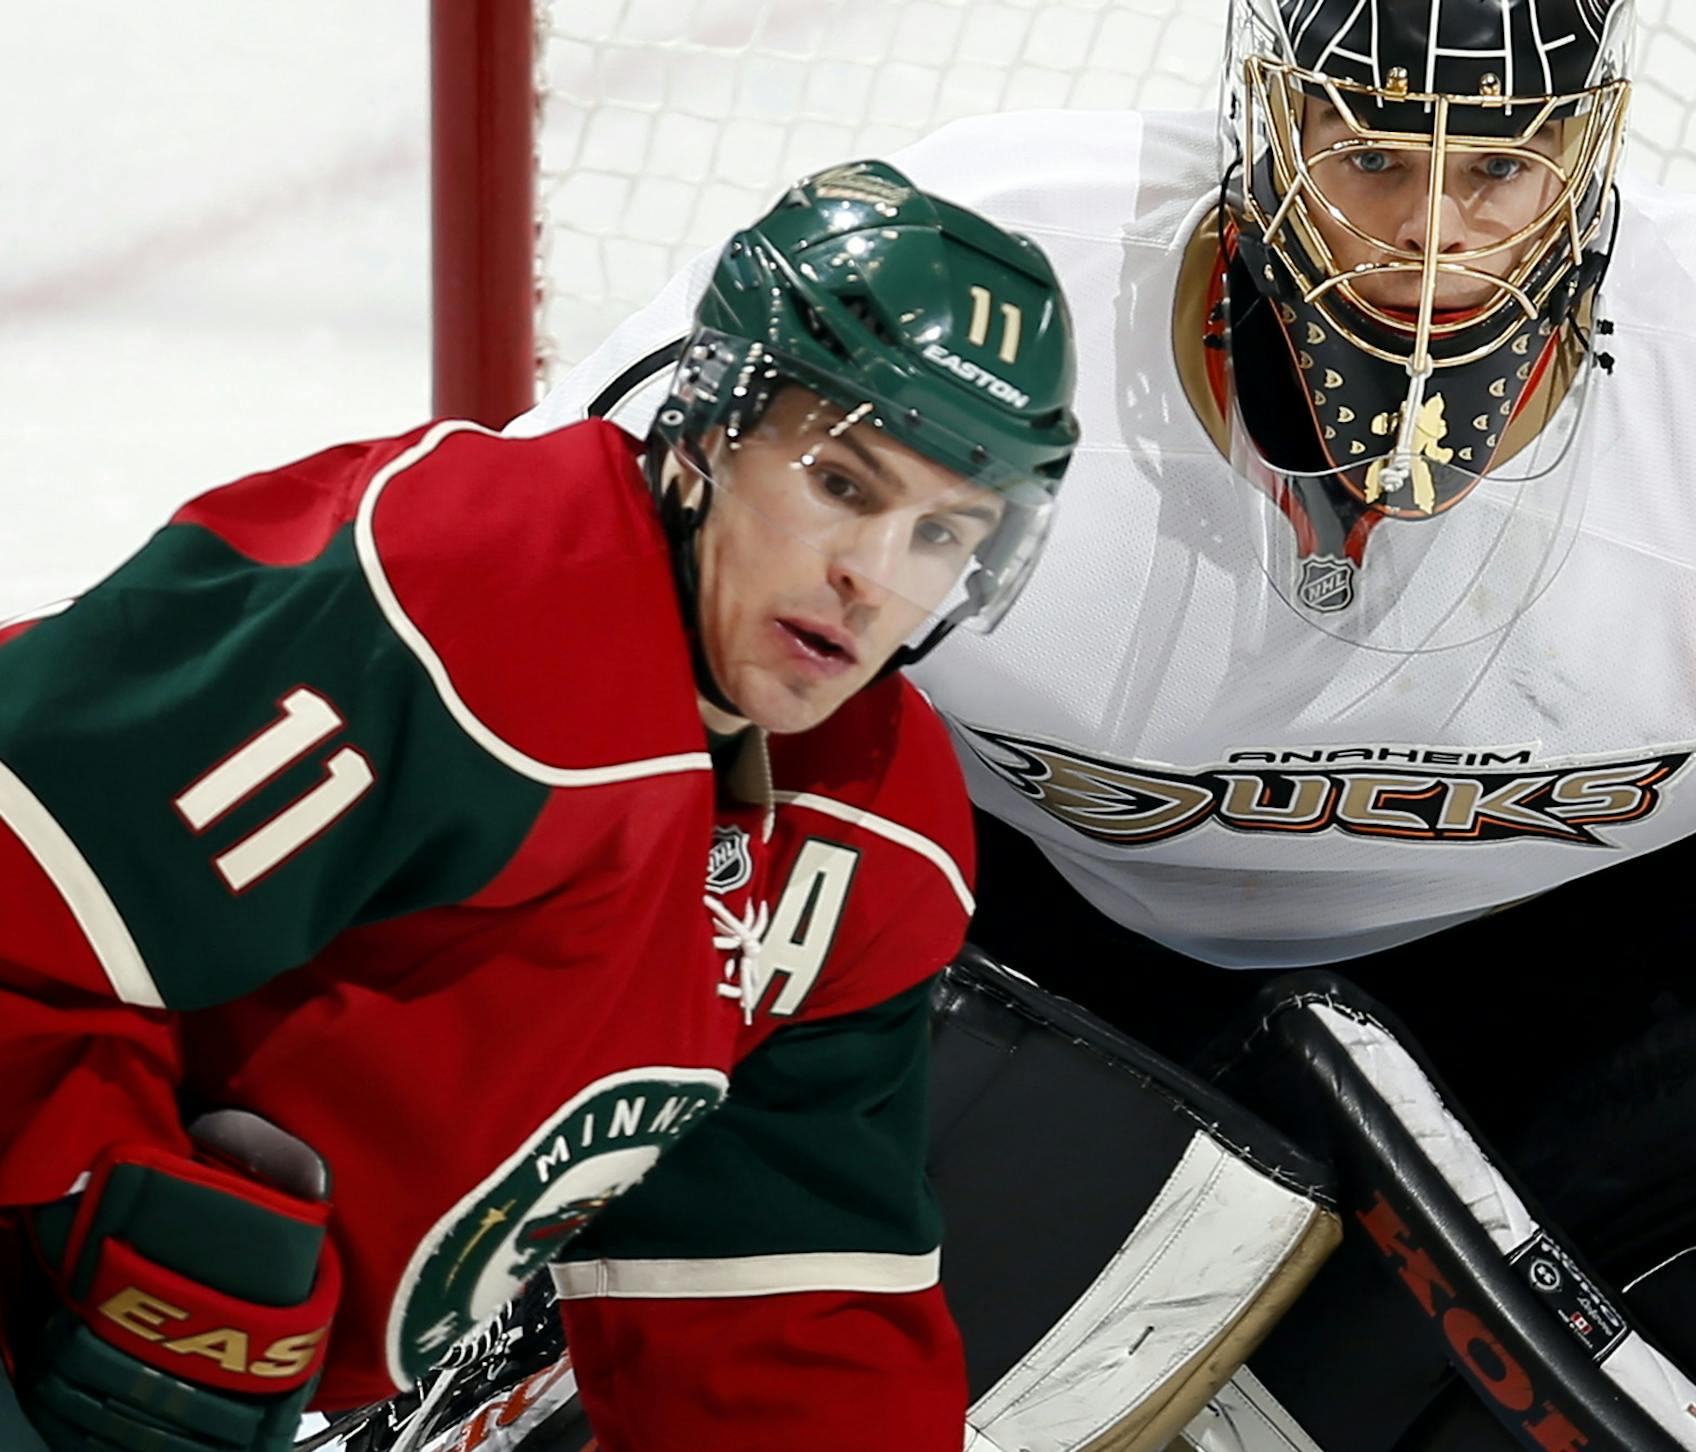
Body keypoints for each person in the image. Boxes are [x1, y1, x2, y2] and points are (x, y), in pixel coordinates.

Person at [515, 1, 1696, 1446]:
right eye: (1371, 155)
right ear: (1268, 118)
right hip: (1037, 946)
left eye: (1497, 166)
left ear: (1586, 153)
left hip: (1605, 982)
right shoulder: (974, 303)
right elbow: (543, 625)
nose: (1432, 239)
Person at [0, 159, 1079, 1452]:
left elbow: (784, 1304)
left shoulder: (877, 830)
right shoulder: (454, 599)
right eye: (843, 486)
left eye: (945, 534)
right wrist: (97, 1204)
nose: (873, 576)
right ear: (711, 421)